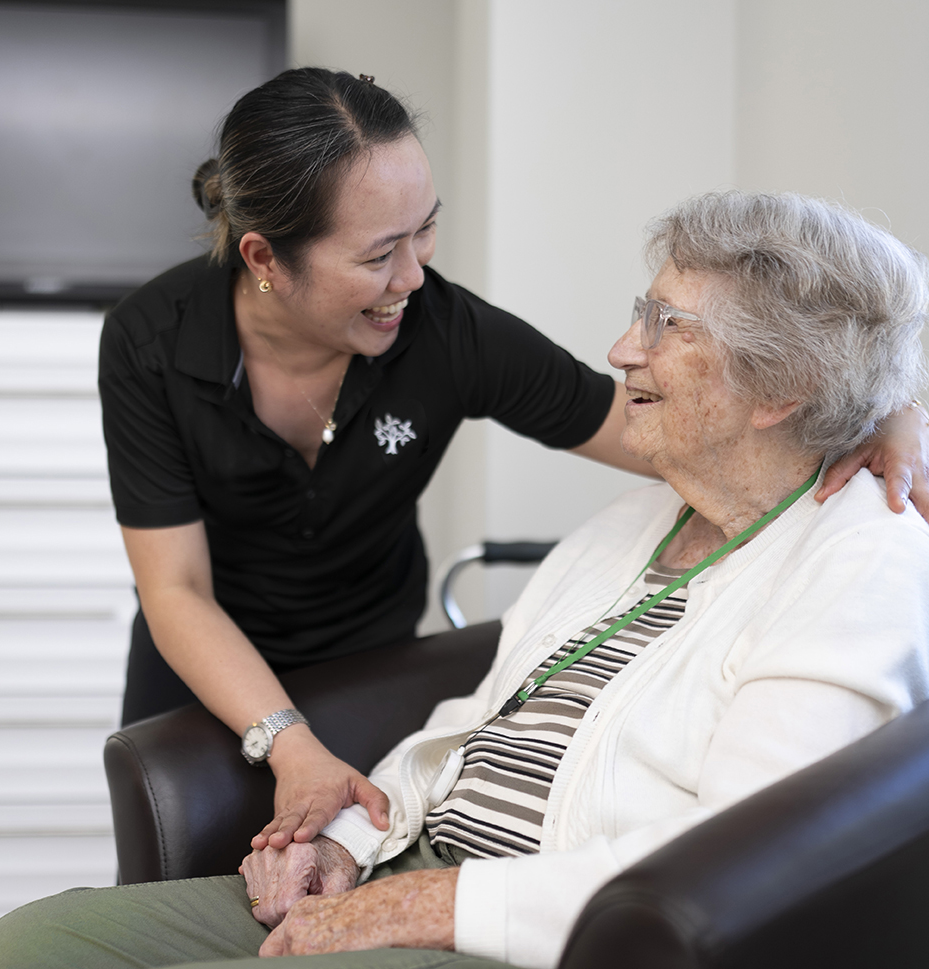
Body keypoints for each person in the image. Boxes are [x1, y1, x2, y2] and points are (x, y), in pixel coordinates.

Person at [0, 191, 929, 969]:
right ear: (265, 260)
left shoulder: (859, 564)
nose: (620, 349)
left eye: (663, 326)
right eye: (641, 313)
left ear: (780, 388)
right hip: (410, 862)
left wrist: (415, 906)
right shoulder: (636, 522)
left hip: (544, 937)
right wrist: (345, 845)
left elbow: (731, 864)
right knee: (24, 955)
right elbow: (476, 720)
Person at [99, 67, 929, 852]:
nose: (413, 276)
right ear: (264, 260)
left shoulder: (446, 334)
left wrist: (876, 407)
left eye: (426, 229)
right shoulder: (151, 341)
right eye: (378, 255)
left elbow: (671, 428)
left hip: (363, 659)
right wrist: (289, 744)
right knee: (187, 872)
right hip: (205, 662)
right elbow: (177, 590)